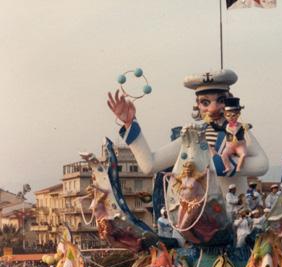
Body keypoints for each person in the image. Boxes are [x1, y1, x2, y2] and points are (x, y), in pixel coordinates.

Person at [107, 69, 268, 195]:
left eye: (220, 100)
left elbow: (262, 164)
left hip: (233, 215)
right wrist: (130, 124)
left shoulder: (239, 130)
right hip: (196, 216)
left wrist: (217, 164)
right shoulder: (192, 136)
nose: (213, 108)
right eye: (206, 102)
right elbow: (150, 164)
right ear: (197, 105)